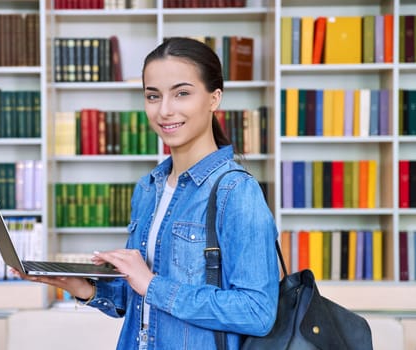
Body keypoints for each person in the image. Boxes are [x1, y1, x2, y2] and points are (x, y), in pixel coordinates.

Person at [15, 37, 279, 349]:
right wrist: (82, 286)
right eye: (153, 96)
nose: (165, 110)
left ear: (214, 98)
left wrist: (152, 284)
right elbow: (138, 300)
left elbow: (258, 312)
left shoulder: (236, 191)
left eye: (181, 93)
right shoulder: (148, 189)